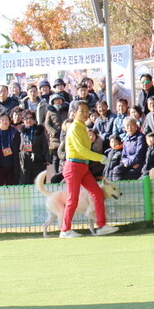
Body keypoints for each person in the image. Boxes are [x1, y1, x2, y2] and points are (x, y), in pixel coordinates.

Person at [58, 100, 119, 238]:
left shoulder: (82, 127)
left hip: (83, 166)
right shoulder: (74, 128)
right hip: (73, 166)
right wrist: (100, 158)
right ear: (74, 113)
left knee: (97, 193)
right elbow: (81, 150)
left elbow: (85, 151)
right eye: (82, 111)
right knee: (73, 199)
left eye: (87, 111)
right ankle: (65, 229)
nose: (85, 113)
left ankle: (102, 226)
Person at [0, 112, 21, 186]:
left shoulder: (15, 133)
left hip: (12, 165)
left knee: (12, 188)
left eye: (7, 119)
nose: (5, 122)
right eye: (3, 120)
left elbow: (18, 146)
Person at [18, 109, 49, 184]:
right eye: (26, 118)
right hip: (24, 161)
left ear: (34, 119)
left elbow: (45, 145)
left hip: (38, 160)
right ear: (23, 120)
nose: (28, 120)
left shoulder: (40, 131)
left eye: (31, 118)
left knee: (38, 182)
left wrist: (46, 159)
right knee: (25, 182)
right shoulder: (21, 132)